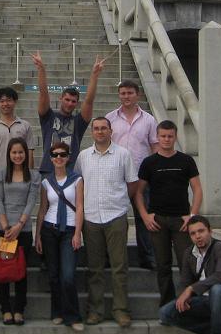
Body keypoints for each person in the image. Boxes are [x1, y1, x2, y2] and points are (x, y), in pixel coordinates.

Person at [74, 116, 138, 328]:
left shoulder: (123, 154)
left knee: (119, 267)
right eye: (96, 128)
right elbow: (78, 184)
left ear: (111, 131)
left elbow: (132, 184)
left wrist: (120, 203)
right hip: (91, 218)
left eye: (104, 128)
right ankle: (95, 310)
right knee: (94, 268)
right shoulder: (84, 156)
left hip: (115, 216)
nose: (100, 131)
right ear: (92, 132)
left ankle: (121, 310)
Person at [135, 119, 203, 306]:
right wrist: (144, 215)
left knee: (186, 263)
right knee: (162, 265)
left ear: (175, 137)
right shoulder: (149, 162)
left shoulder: (186, 160)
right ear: (157, 137)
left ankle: (188, 303)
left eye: (170, 136)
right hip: (158, 220)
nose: (166, 139)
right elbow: (139, 193)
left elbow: (197, 189)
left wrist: (192, 215)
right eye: (163, 136)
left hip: (181, 220)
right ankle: (167, 305)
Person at [158, 215, 221, 334]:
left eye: (201, 231)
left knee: (217, 289)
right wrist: (182, 297)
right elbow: (184, 282)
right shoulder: (189, 253)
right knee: (165, 313)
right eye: (193, 233)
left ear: (210, 231)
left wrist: (192, 288)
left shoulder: (220, 248)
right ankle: (214, 330)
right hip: (202, 300)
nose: (198, 236)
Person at [106, 79, 158, 270]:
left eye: (130, 93)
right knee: (113, 219)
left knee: (144, 217)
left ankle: (148, 256)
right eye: (123, 93)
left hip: (141, 176)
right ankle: (111, 256)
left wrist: (155, 171)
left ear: (138, 95)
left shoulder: (149, 120)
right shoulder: (110, 118)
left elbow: (154, 145)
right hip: (116, 176)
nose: (126, 96)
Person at [35, 141, 85, 332]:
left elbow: (79, 207)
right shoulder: (46, 182)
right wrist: (38, 235)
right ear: (50, 158)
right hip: (49, 228)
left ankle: (73, 316)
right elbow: (42, 209)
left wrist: (78, 233)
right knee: (54, 274)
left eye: (62, 154)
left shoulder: (77, 179)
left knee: (68, 275)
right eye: (55, 155)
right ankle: (57, 311)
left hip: (69, 229)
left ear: (68, 157)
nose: (59, 158)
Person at [0, 137, 41, 325]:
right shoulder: (1, 174)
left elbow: (31, 201)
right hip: (3, 230)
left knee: (21, 270)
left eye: (21, 152)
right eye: (14, 152)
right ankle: (5, 309)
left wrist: (19, 225)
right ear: (9, 154)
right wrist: (6, 227)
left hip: (23, 229)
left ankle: (19, 309)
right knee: (4, 269)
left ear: (26, 154)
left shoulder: (34, 176)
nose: (18, 155)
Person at [31, 51, 105, 175]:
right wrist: (41, 69)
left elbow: (89, 101)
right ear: (60, 98)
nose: (70, 103)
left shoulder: (79, 122)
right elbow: (43, 93)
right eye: (67, 99)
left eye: (73, 101)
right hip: (48, 170)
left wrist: (94, 75)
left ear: (77, 103)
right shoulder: (48, 117)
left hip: (71, 172)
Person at [0, 86, 34, 249]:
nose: (6, 104)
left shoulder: (25, 125)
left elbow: (30, 152)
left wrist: (29, 175)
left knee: (19, 216)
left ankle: (16, 254)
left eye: (9, 100)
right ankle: (0, 255)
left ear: (15, 102)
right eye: (2, 101)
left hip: (19, 180)